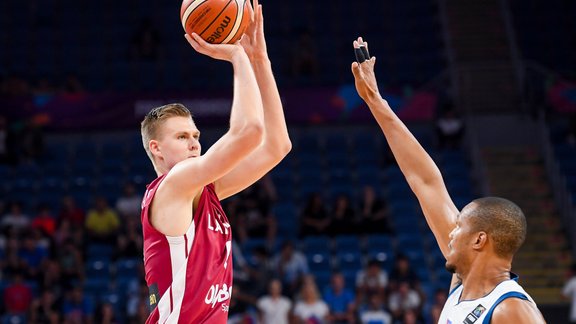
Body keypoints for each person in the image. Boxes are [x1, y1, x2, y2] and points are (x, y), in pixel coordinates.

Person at [350, 36, 545, 323]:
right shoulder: (462, 284)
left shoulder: (512, 310)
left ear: (480, 240)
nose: (451, 231)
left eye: (460, 226)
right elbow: (426, 181)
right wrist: (375, 102)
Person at [139, 0, 291, 322]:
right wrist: (237, 56)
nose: (194, 142)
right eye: (182, 137)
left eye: (195, 135)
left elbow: (277, 145)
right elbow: (250, 130)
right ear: (156, 149)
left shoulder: (205, 191)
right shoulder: (172, 187)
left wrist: (259, 60)